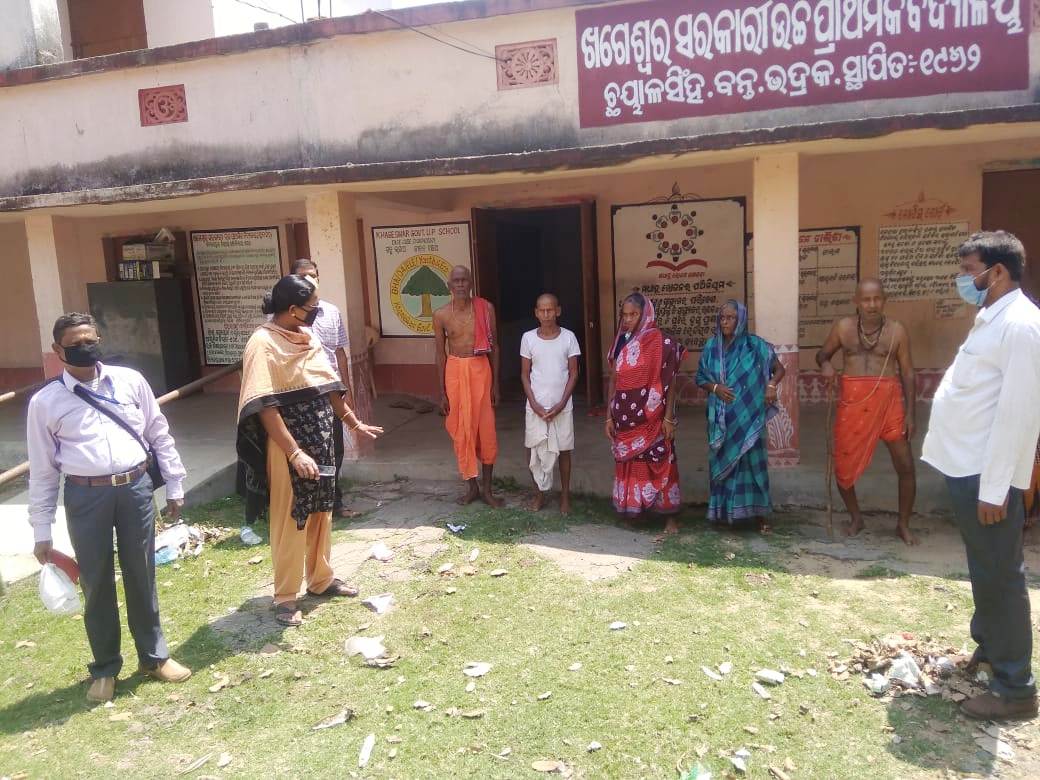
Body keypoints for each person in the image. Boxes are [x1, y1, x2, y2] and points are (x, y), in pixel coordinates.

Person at [27, 313, 191, 703]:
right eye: (75, 344)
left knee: (142, 574)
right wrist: (42, 530)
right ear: (58, 350)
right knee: (96, 581)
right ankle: (104, 668)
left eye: (91, 340)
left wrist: (174, 483)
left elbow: (158, 432)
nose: (85, 348)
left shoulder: (130, 381)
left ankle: (154, 657)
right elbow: (43, 471)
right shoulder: (45, 403)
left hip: (135, 489)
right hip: (86, 496)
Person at [922, 230, 1040, 720]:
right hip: (967, 467)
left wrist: (995, 489)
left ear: (998, 272)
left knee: (1001, 575)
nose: (963, 279)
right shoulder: (992, 317)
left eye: (969, 270)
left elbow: (1018, 415)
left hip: (988, 477)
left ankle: (1016, 690)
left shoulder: (1022, 325)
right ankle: (990, 650)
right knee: (984, 568)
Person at [237, 275, 383, 627]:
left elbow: (328, 386)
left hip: (321, 439)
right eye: (312, 306)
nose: (317, 311)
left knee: (321, 511)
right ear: (292, 309)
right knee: (291, 518)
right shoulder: (262, 343)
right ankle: (285, 596)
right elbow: (264, 405)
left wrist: (353, 423)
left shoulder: (308, 336)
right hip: (288, 446)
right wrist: (294, 453)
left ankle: (321, 579)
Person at [816, 278, 917, 544]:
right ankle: (856, 518)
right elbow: (822, 354)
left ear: (884, 300)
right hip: (853, 402)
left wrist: (911, 413)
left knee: (906, 465)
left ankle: (903, 524)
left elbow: (907, 372)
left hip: (889, 402)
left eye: (877, 299)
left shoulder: (897, 331)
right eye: (866, 299)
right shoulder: (843, 327)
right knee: (843, 465)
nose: (872, 305)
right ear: (856, 301)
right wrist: (825, 365)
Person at [695, 300, 784, 533]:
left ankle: (760, 515)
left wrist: (771, 385)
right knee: (722, 466)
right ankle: (723, 513)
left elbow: (779, 369)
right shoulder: (711, 347)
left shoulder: (756, 346)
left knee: (753, 466)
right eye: (722, 317)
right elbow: (700, 378)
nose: (725, 322)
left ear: (741, 320)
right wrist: (716, 388)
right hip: (721, 421)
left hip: (749, 419)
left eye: (731, 318)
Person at [605, 293, 686, 532]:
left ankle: (670, 517)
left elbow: (671, 382)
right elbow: (614, 380)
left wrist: (668, 417)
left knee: (662, 461)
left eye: (634, 314)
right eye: (625, 315)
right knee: (633, 465)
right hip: (625, 420)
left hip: (654, 418)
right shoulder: (621, 342)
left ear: (646, 314)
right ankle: (635, 511)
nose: (628, 319)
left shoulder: (662, 342)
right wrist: (608, 416)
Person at [291, 258, 357, 522]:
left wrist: (345, 387)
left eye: (314, 275)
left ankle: (334, 503)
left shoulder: (331, 311)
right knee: (306, 451)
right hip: (301, 396)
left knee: (334, 450)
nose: (310, 280)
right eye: (303, 276)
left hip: (330, 393)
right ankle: (305, 505)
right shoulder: (285, 317)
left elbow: (339, 352)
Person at [433, 265, 502, 507]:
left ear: (471, 283)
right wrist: (442, 391)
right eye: (456, 280)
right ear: (449, 286)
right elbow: (440, 354)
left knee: (486, 430)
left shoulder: (485, 308)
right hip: (455, 372)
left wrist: (496, 385)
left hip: (481, 370)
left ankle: (488, 490)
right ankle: (472, 487)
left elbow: (495, 347)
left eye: (464, 280)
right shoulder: (441, 315)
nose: (461, 284)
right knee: (462, 430)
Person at [520, 293, 581, 514]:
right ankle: (539, 494)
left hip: (561, 407)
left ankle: (565, 497)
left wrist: (561, 403)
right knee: (533, 449)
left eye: (550, 310)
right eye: (542, 310)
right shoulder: (528, 338)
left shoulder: (568, 337)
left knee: (564, 450)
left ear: (558, 311)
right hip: (536, 407)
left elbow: (574, 373)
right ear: (536, 313)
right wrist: (534, 404)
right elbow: (525, 374)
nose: (546, 314)